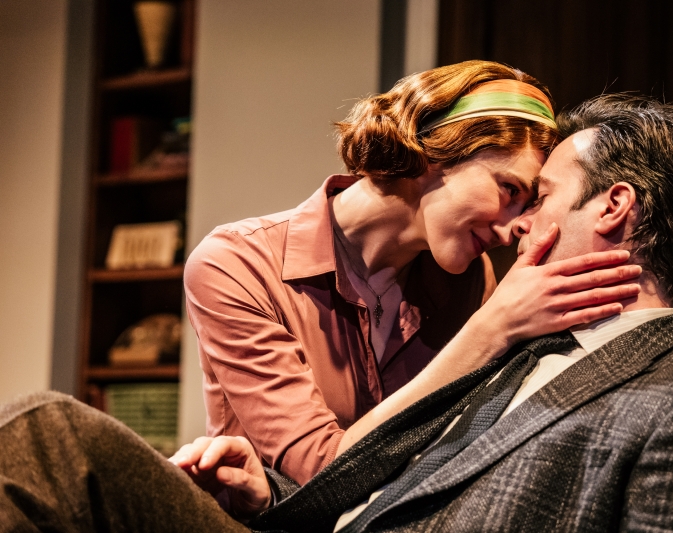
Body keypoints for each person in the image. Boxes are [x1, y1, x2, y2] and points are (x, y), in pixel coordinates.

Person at [0, 94, 673, 532]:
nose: (519, 229)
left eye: (539, 197)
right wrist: (270, 494)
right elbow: (399, 480)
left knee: (50, 434)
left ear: (614, 208)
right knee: (52, 442)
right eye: (514, 194)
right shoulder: (522, 344)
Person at [185, 60, 639, 485]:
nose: (509, 231)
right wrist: (490, 330)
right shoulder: (237, 264)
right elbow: (321, 471)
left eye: (527, 204)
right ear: (435, 150)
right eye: (508, 190)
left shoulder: (468, 278)